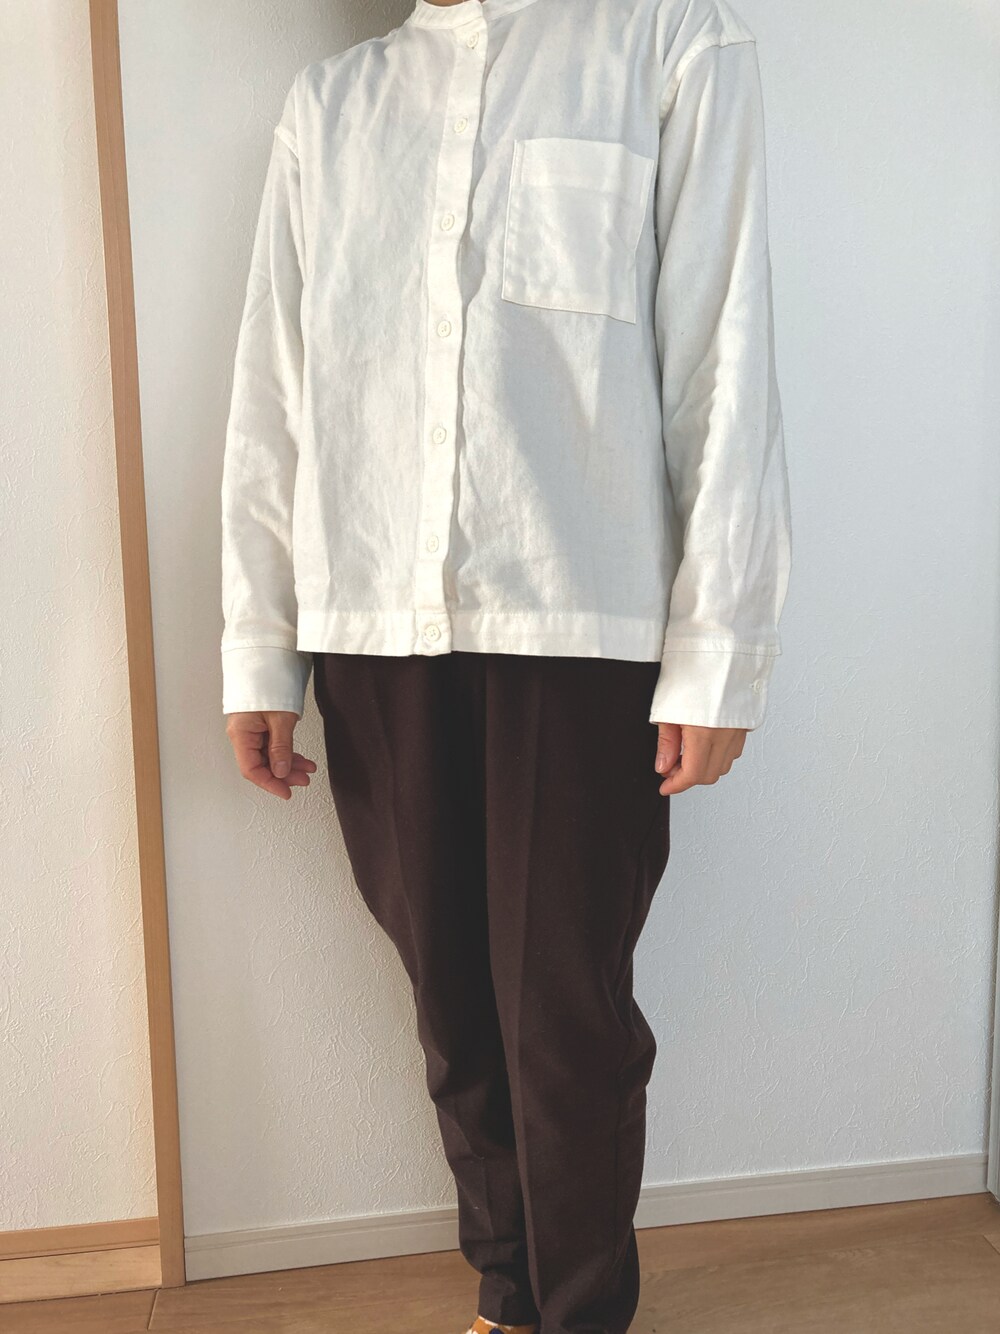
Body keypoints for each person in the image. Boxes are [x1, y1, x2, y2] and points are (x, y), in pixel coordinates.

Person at [220, 0, 792, 1330]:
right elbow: (276, 391)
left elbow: (724, 358)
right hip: (372, 622)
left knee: (562, 1015)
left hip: (577, 628)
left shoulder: (670, 47)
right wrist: (260, 648)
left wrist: (719, 649)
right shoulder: (333, 107)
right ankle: (509, 1295)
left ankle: (581, 1309)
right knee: (453, 1013)